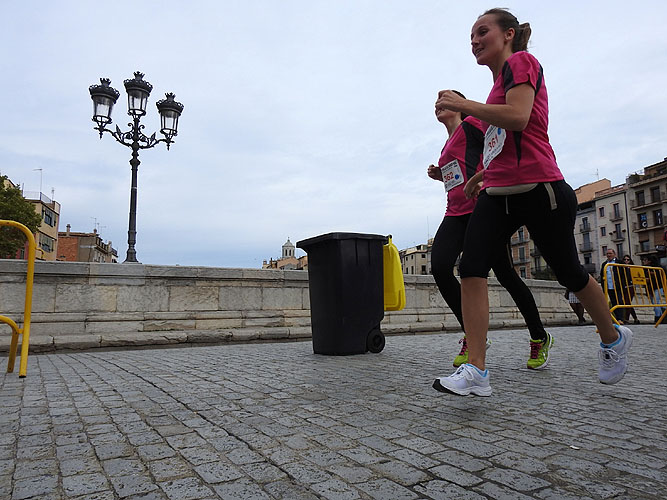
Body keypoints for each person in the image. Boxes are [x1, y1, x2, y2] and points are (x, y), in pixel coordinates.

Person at [432, 8, 632, 396]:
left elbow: (519, 117)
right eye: (471, 36)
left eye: (482, 32)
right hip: (498, 194)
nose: (474, 40)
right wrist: (479, 176)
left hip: (540, 188)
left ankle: (613, 337)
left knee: (570, 273)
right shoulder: (495, 87)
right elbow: (501, 143)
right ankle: (477, 369)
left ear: (508, 34)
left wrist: (464, 105)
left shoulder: (522, 62)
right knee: (471, 267)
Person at [428, 91, 553, 371]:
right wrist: (440, 174)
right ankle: (474, 337)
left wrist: (483, 179)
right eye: (435, 102)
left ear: (458, 104)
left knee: (506, 275)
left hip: (481, 210)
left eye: (444, 98)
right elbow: (460, 173)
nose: (438, 104)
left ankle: (539, 336)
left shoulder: (472, 123)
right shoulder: (447, 144)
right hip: (454, 212)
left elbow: (499, 149)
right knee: (440, 267)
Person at [599, 249, 624, 323]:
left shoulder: (619, 262)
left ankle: (620, 318)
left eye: (610, 253)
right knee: (613, 303)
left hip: (618, 286)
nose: (608, 255)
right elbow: (602, 275)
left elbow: (624, 274)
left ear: (614, 254)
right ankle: (617, 318)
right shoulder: (604, 264)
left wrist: (623, 284)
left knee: (619, 302)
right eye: (607, 253)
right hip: (609, 287)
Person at [641, 254, 665, 323]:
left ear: (649, 261)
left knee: (655, 302)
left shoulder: (658, 268)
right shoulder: (644, 268)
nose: (643, 261)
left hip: (658, 287)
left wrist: (650, 277)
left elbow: (659, 277)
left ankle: (657, 318)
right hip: (650, 288)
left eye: (645, 260)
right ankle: (661, 317)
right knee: (655, 303)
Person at [620, 255, 639, 324]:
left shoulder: (632, 268)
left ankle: (627, 319)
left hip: (630, 286)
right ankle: (635, 318)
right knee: (627, 303)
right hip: (623, 287)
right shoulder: (621, 268)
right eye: (625, 259)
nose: (626, 261)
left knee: (627, 303)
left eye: (628, 260)